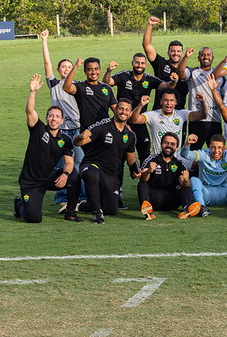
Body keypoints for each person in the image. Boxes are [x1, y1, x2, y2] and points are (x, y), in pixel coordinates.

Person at [14, 74, 81, 223]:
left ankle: (70, 212)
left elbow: (69, 162)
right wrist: (33, 92)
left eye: (57, 116)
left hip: (49, 177)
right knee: (34, 218)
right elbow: (30, 111)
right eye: (51, 116)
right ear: (46, 118)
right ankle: (19, 203)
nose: (54, 119)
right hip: (30, 182)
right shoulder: (38, 129)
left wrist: (64, 174)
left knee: (74, 176)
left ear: (62, 120)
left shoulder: (65, 139)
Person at [73, 100, 141, 224]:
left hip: (110, 173)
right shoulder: (103, 126)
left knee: (111, 209)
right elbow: (78, 143)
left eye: (126, 110)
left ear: (130, 113)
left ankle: (83, 205)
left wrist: (135, 169)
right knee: (92, 175)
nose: (123, 112)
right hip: (91, 164)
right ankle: (97, 213)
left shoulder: (130, 135)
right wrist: (80, 137)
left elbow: (131, 157)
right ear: (115, 110)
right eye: (121, 109)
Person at [39, 29, 82, 208]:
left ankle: (79, 195)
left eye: (69, 66)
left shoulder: (77, 87)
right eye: (63, 66)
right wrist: (44, 41)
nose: (66, 68)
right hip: (61, 131)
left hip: (77, 130)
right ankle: (61, 198)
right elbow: (47, 62)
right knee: (60, 163)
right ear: (58, 70)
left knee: (78, 162)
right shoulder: (54, 85)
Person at [103, 53, 165, 160]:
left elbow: (166, 85)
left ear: (145, 65)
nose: (139, 65)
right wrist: (109, 70)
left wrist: (174, 81)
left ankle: (143, 175)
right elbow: (107, 82)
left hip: (139, 122)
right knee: (119, 157)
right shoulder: (123, 76)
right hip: (122, 123)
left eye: (142, 63)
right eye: (137, 62)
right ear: (132, 63)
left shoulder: (149, 79)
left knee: (145, 155)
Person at [179, 133, 227, 217]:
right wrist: (187, 144)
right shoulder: (204, 154)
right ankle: (201, 207)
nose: (216, 151)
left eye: (219, 147)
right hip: (207, 195)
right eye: (213, 147)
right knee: (194, 179)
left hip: (226, 195)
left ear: (224, 148)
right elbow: (185, 155)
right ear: (209, 147)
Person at [128, 90, 207, 161]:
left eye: (171, 100)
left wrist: (203, 102)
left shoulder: (181, 114)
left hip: (177, 159)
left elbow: (202, 116)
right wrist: (140, 105)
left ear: (175, 102)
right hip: (158, 159)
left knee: (196, 164)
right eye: (166, 100)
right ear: (161, 102)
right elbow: (134, 120)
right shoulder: (153, 115)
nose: (168, 103)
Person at [137, 133, 199, 220]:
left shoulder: (179, 163)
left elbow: (184, 184)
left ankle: (186, 211)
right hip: (154, 199)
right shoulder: (152, 159)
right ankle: (148, 212)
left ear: (177, 148)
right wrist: (148, 171)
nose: (169, 146)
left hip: (172, 201)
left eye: (172, 144)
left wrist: (185, 180)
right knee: (142, 184)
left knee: (186, 187)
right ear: (161, 144)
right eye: (166, 143)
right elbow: (142, 179)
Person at [178, 46, 225, 149]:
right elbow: (181, 74)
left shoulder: (221, 76)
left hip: (215, 120)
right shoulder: (193, 72)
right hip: (197, 120)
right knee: (193, 153)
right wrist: (185, 57)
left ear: (213, 57)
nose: (205, 57)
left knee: (215, 153)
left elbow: (223, 98)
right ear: (198, 58)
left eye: (208, 55)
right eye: (202, 55)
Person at [142, 16, 187, 108]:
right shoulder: (161, 64)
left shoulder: (186, 72)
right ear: (168, 53)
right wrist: (150, 25)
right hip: (159, 114)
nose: (175, 53)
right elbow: (146, 45)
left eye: (178, 51)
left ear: (182, 53)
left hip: (179, 116)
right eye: (173, 51)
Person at [62, 57, 117, 131]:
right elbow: (66, 87)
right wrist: (75, 66)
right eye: (90, 69)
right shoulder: (81, 87)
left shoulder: (107, 88)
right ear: (85, 71)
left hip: (104, 131)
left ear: (100, 70)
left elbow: (116, 110)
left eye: (96, 69)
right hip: (87, 131)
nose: (94, 72)